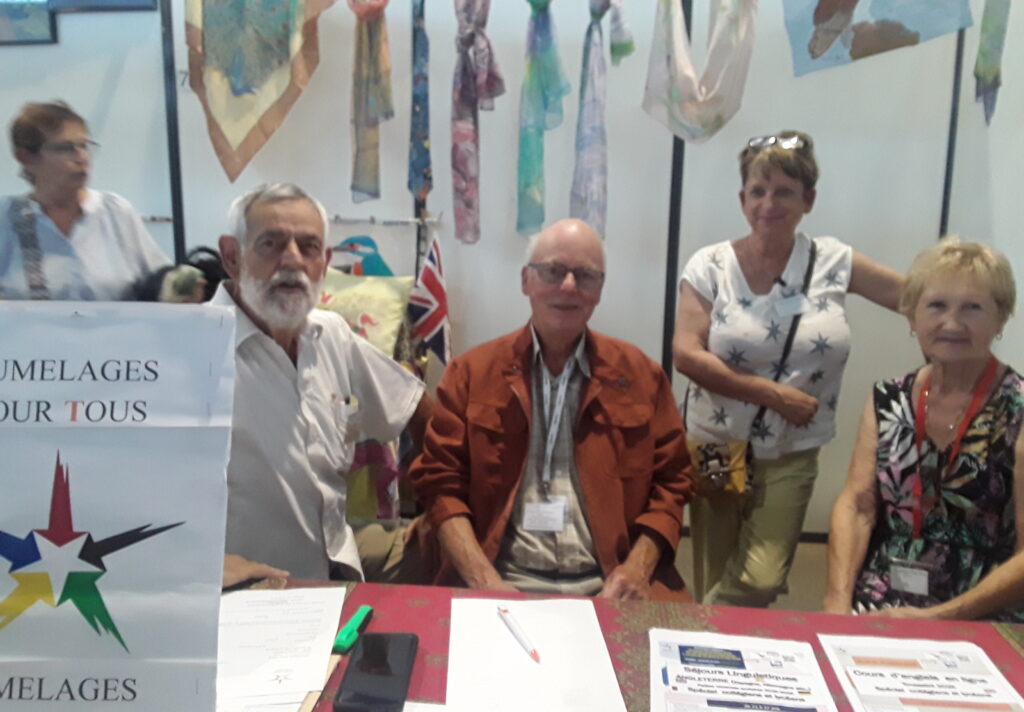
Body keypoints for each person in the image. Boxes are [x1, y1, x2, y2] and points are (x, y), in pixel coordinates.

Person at [673, 130, 904, 607]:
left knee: (761, 576)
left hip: (793, 448)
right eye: (757, 191)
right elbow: (686, 353)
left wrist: (964, 314)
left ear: (808, 200)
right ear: (742, 200)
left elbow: (916, 299)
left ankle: (704, 626)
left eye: (784, 191)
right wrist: (773, 395)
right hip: (716, 443)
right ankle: (719, 644)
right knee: (714, 562)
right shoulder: (710, 266)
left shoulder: (834, 262)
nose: (768, 203)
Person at [410, 218, 694, 600]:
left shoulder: (642, 377)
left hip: (612, 584)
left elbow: (673, 482)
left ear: (600, 290)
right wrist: (483, 580)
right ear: (525, 280)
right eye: (554, 271)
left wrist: (636, 569)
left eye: (585, 275)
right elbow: (439, 484)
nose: (569, 286)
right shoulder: (471, 375)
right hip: (501, 578)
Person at [210, 182, 433, 582]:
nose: (292, 260)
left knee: (451, 547)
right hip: (254, 590)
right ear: (232, 257)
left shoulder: (330, 333)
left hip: (341, 559)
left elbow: (421, 412)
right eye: (271, 244)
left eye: (309, 247)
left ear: (325, 262)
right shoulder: (190, 353)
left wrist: (440, 506)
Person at [824, 238, 1024, 621]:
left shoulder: (1018, 407)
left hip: (982, 612)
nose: (951, 323)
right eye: (936, 305)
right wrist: (836, 604)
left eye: (972, 307)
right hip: (880, 602)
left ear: (1000, 318)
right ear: (912, 317)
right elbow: (857, 505)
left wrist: (938, 619)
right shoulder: (888, 398)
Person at [1, 101, 170, 300]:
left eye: (84, 146)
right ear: (27, 157)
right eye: (66, 148)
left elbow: (163, 285)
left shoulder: (114, 211)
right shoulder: (7, 217)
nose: (82, 157)